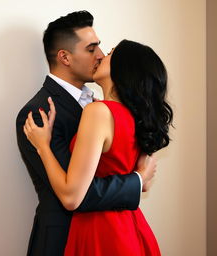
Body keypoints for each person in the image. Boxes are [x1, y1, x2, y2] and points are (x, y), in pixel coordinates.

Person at [16, 11, 156, 256]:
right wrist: (136, 181)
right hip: (62, 239)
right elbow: (79, 193)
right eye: (92, 49)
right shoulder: (38, 113)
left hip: (109, 237)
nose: (100, 56)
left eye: (101, 48)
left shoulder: (106, 107)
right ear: (65, 57)